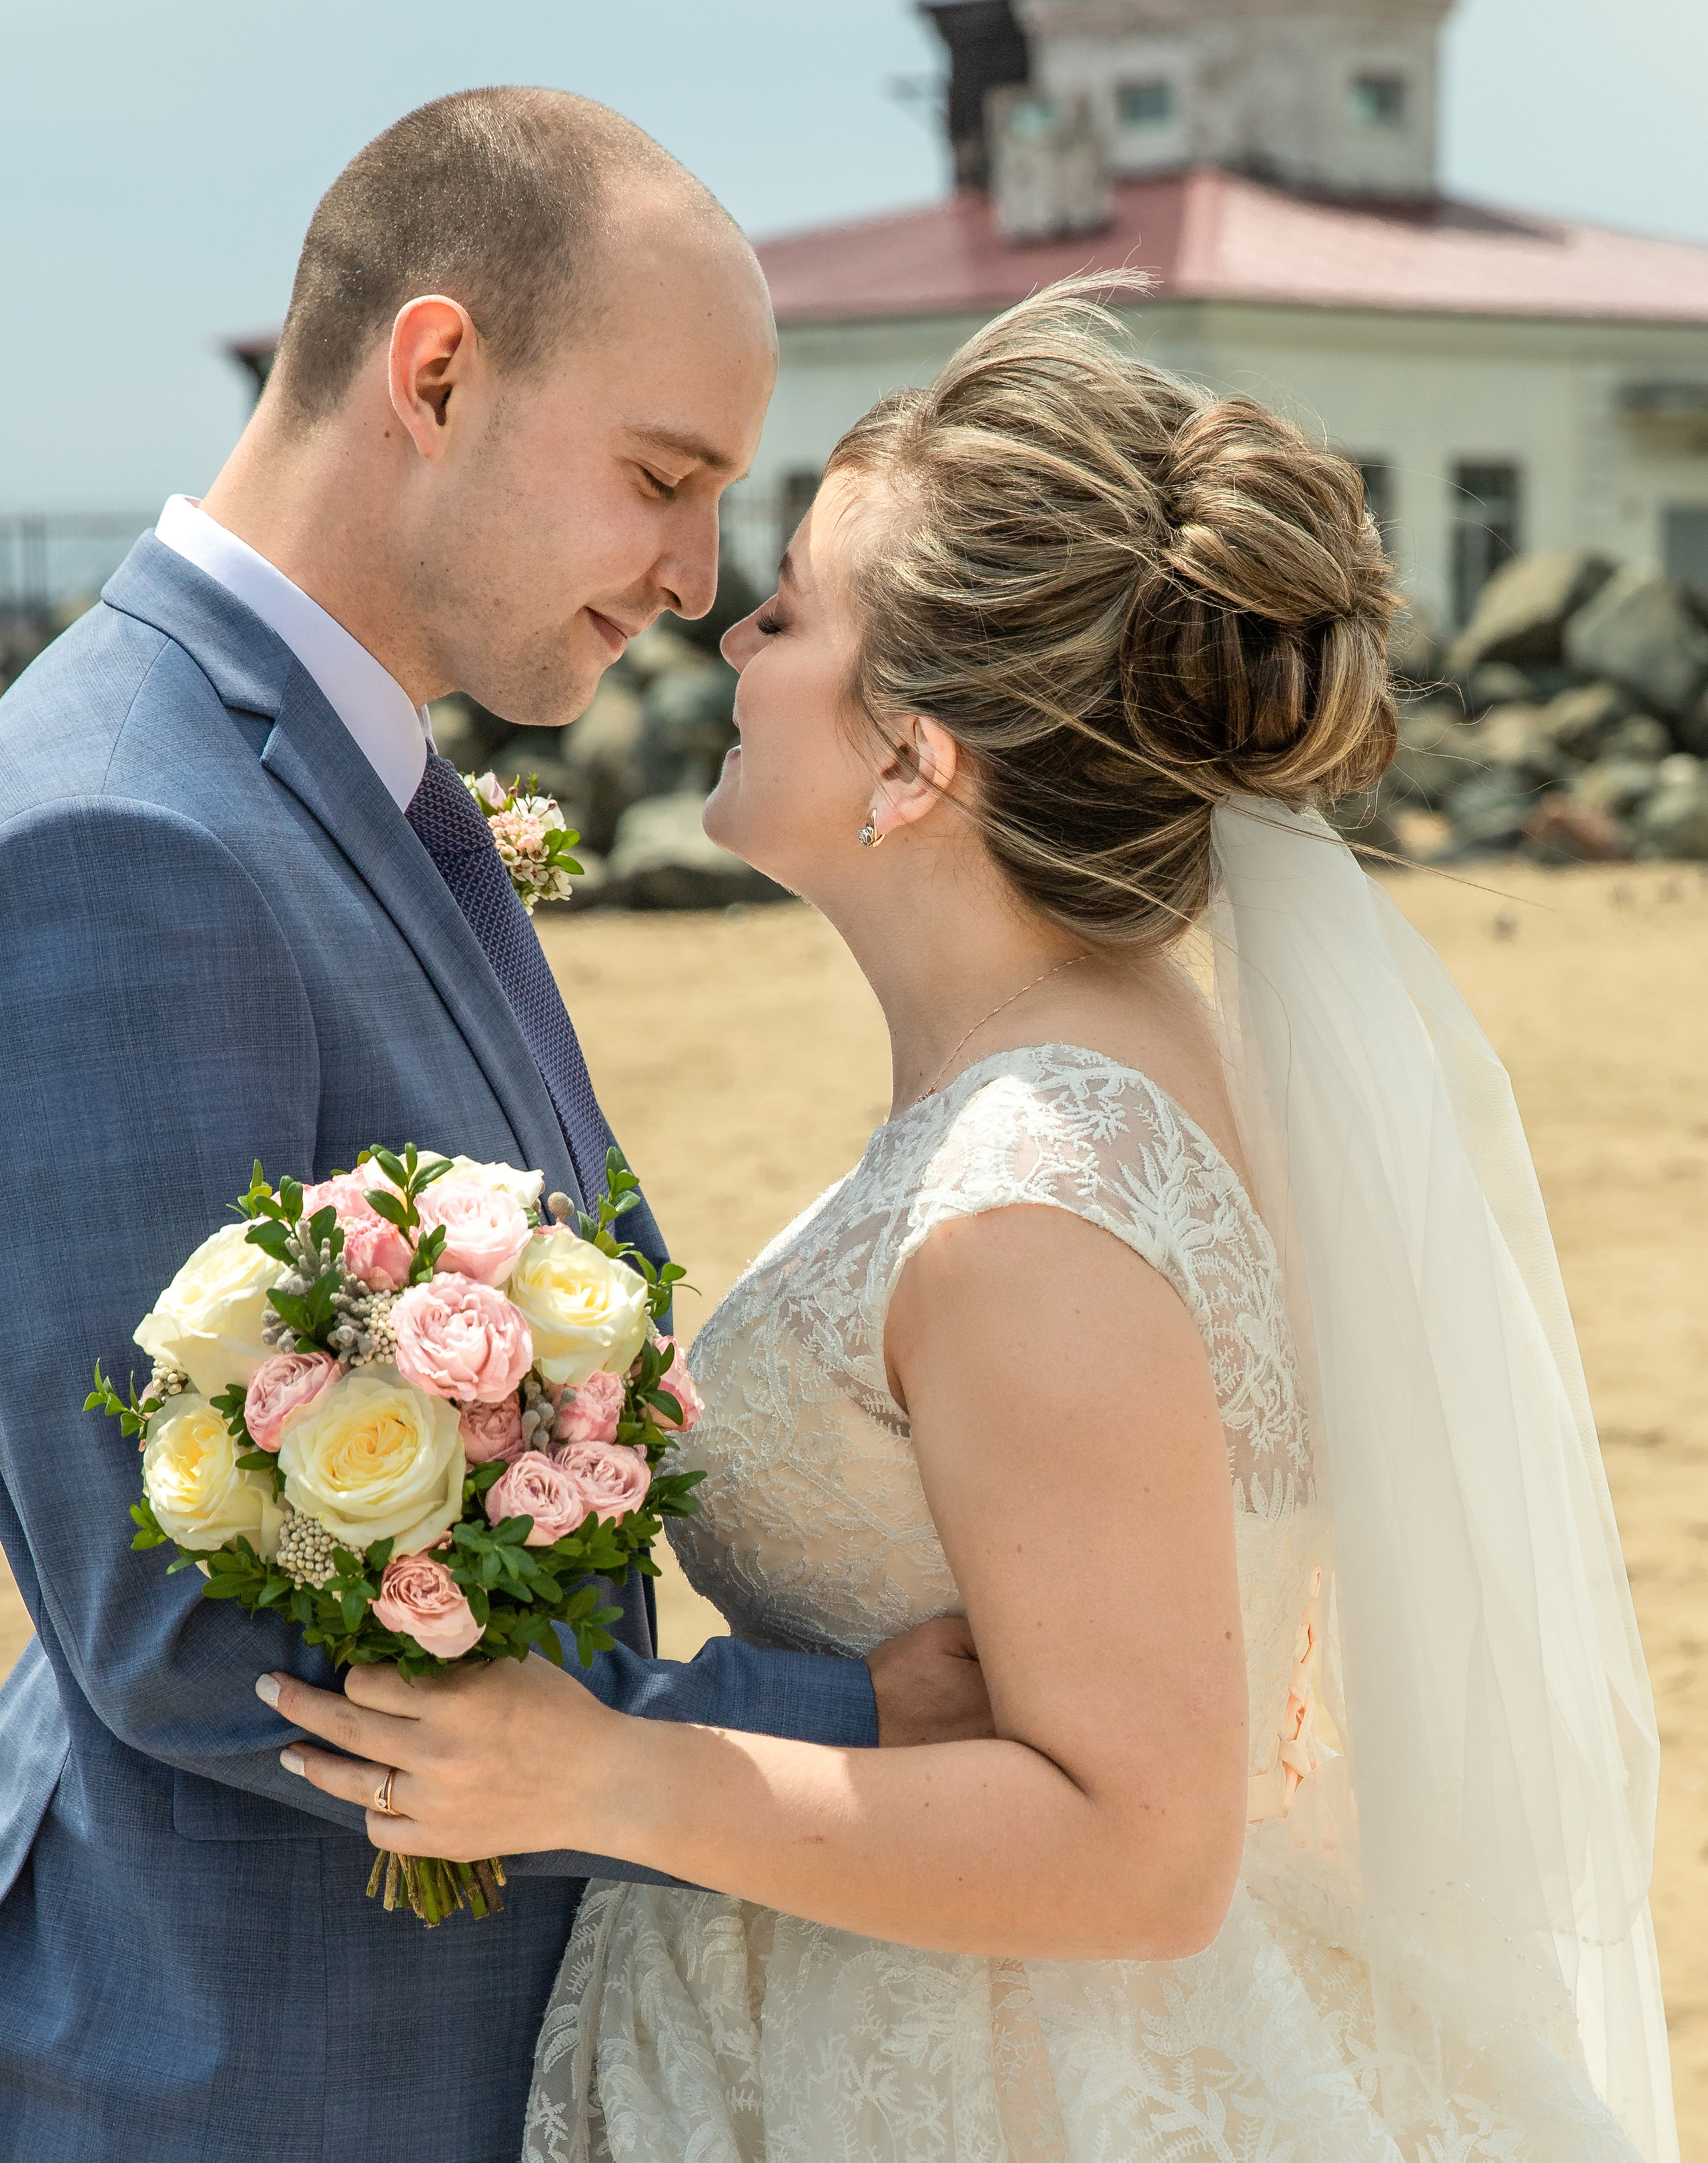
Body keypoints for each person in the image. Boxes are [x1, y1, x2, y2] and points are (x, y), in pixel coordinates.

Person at [274, 284, 1679, 2162]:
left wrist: (608, 1770)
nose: (726, 632)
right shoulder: (1089, 1061)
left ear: (916, 761)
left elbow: (1144, 1841)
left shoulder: (1038, 1192)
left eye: (789, 612)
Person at [0, 89, 991, 2163]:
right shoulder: (113, 827)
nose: (693, 577)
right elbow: (188, 1636)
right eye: (662, 477)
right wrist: (849, 1732)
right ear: (436, 372)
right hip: (249, 2069)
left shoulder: (348, 780)